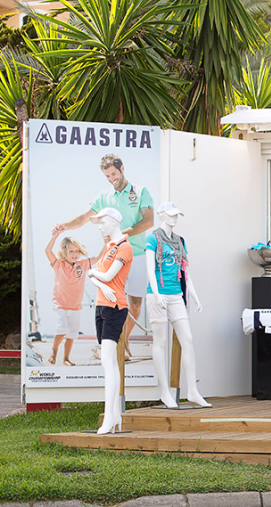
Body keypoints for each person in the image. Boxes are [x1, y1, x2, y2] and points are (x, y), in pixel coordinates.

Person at [59, 154, 153, 359]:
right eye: (107, 176)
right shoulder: (104, 196)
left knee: (135, 304)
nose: (112, 179)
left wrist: (123, 234)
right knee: (111, 302)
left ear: (122, 168)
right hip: (111, 256)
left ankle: (124, 339)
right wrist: (64, 226)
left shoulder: (141, 192)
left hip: (136, 255)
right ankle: (114, 344)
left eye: (114, 174)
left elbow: (148, 221)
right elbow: (84, 218)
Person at [145, 202, 209, 408]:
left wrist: (194, 295)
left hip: (176, 294)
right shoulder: (152, 238)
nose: (174, 218)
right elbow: (149, 268)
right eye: (171, 215)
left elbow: (184, 270)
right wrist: (156, 294)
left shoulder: (180, 241)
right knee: (160, 342)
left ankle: (192, 390)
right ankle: (165, 392)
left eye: (176, 215)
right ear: (162, 215)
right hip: (158, 296)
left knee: (187, 339)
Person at [87, 208, 133, 434]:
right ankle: (115, 416)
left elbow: (103, 275)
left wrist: (96, 277)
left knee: (108, 361)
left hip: (115, 308)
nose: (99, 226)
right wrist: (99, 281)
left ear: (114, 221)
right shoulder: (108, 248)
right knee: (109, 362)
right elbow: (97, 277)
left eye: (102, 222)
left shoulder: (124, 247)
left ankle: (110, 418)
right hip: (101, 306)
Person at [44, 225, 101, 366]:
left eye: (76, 251)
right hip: (60, 304)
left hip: (75, 306)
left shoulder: (82, 264)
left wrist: (107, 243)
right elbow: (47, 250)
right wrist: (55, 235)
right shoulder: (58, 264)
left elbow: (99, 257)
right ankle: (54, 350)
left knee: (72, 334)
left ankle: (66, 358)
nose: (75, 254)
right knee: (62, 329)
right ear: (64, 252)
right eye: (71, 251)